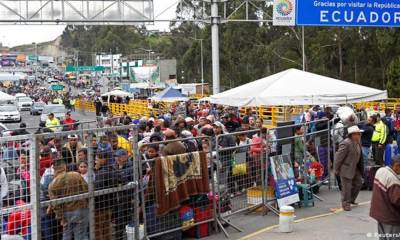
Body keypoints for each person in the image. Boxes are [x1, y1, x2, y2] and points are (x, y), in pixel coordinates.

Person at [48, 158, 89, 240]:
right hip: (81, 209)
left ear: (54, 169)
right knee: (81, 236)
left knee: (66, 236)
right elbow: (86, 189)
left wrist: (61, 217)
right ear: (64, 167)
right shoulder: (76, 175)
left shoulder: (52, 184)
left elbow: (55, 204)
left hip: (66, 213)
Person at [334, 126, 364, 211]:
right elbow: (338, 157)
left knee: (359, 183)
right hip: (346, 168)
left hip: (355, 167)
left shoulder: (358, 141)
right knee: (346, 188)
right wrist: (336, 169)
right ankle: (346, 204)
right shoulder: (346, 143)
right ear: (352, 135)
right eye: (358, 134)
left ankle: (351, 200)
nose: (360, 135)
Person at [370, 156, 400, 239]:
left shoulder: (381, 170)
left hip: (379, 213)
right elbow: (397, 200)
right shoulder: (393, 180)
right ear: (397, 166)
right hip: (390, 217)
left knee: (383, 236)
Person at [94, 151, 118, 240]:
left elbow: (96, 189)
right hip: (109, 206)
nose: (95, 161)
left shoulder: (102, 173)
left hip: (99, 207)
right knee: (106, 229)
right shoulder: (111, 169)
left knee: (98, 230)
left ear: (103, 160)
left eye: (97, 159)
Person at [113, 149, 135, 240]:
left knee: (125, 218)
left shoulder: (131, 167)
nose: (117, 158)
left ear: (126, 156)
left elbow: (133, 182)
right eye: (116, 156)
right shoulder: (114, 167)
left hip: (127, 197)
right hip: (117, 198)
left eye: (119, 156)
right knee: (118, 219)